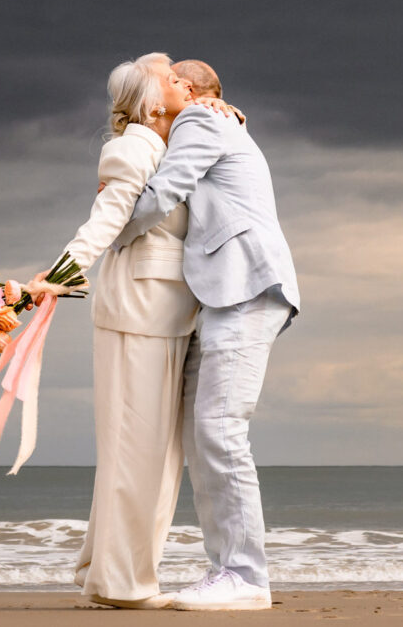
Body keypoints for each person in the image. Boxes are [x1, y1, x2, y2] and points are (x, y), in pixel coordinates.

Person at [120, 58, 299, 611]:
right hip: (224, 294)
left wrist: (109, 228)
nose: (160, 85)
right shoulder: (214, 119)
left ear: (191, 89)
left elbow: (167, 189)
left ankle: (245, 577)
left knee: (220, 431)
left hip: (244, 286)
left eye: (169, 79)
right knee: (202, 438)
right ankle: (225, 570)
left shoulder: (201, 119)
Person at [43, 53, 203, 609]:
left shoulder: (166, 143)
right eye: (169, 76)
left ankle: (108, 572)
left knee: (155, 454)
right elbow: (107, 219)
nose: (181, 81)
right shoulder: (133, 147)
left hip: (164, 312)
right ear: (152, 100)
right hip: (139, 310)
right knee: (137, 451)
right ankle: (122, 583)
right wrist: (60, 275)